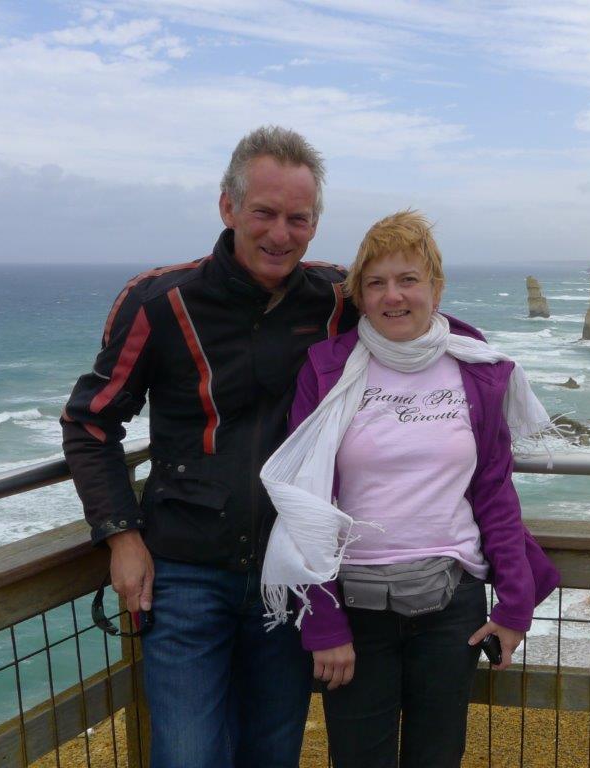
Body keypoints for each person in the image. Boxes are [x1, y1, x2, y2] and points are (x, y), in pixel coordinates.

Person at [61, 125, 358, 768]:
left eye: (299, 219)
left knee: (272, 752)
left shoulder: (337, 298)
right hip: (185, 573)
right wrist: (120, 536)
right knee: (187, 754)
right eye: (264, 213)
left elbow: (413, 316)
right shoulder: (160, 302)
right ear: (228, 207)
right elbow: (90, 424)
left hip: (286, 573)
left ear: (315, 223)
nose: (281, 234)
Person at [259, 210, 560, 768]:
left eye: (408, 280)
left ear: (435, 288)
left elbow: (494, 491)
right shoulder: (327, 370)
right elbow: (305, 503)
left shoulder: (476, 368)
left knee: (437, 756)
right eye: (376, 283)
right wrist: (322, 621)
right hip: (354, 609)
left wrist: (515, 605)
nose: (392, 296)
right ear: (359, 296)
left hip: (452, 607)